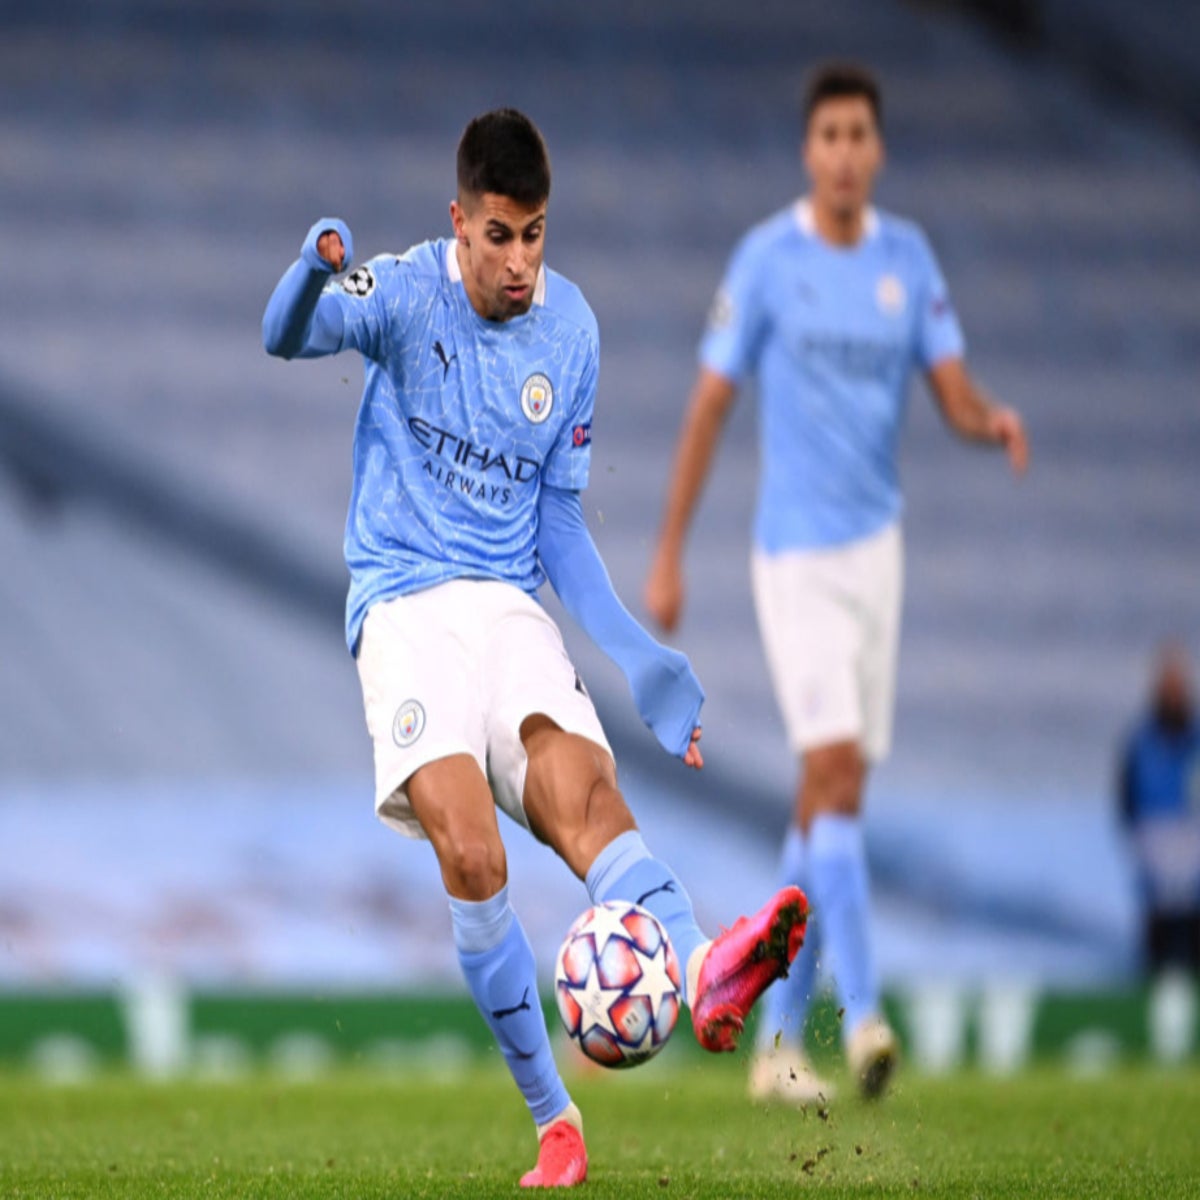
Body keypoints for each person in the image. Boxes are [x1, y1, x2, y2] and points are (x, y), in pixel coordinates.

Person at [262, 108, 807, 1189]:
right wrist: (307, 270)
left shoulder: (573, 334)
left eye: (538, 235)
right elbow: (289, 335)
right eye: (501, 235)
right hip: (406, 610)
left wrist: (639, 655)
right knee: (475, 853)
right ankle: (557, 1121)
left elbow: (559, 520)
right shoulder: (406, 291)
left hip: (509, 607)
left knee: (583, 791)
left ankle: (705, 973)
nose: (521, 262)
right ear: (459, 222)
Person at [643, 63, 1029, 1104]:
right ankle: (863, 1017)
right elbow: (709, 405)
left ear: (879, 150)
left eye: (861, 134)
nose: (847, 153)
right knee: (839, 772)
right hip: (795, 556)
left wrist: (988, 417)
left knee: (825, 801)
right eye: (830, 136)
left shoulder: (908, 259)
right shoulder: (768, 260)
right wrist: (671, 550)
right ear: (809, 152)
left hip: (876, 555)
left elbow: (947, 386)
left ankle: (775, 1044)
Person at [1118, 643, 1200, 978]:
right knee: (1157, 955)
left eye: (1177, 688)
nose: (1172, 695)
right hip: (1156, 864)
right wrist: (1140, 841)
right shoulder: (1141, 742)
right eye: (1167, 688)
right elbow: (1126, 798)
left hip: (1195, 868)